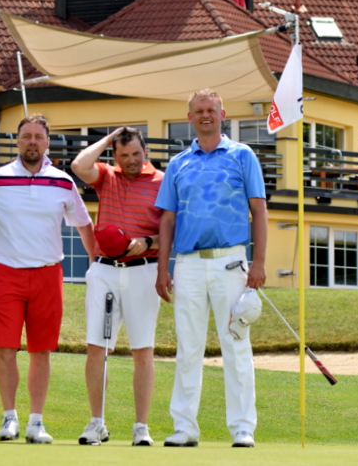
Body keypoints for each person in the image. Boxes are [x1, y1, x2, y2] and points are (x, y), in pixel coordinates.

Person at [154, 89, 268, 448]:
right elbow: (167, 220)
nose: (205, 115)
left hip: (231, 261)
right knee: (188, 347)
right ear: (190, 117)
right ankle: (184, 428)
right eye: (199, 110)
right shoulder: (178, 163)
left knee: (236, 344)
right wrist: (162, 268)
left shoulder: (242, 155)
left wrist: (260, 262)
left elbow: (259, 210)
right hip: (188, 264)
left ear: (222, 114)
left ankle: (243, 428)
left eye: (211, 110)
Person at [0, 113, 94, 444]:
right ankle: (9, 418)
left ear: (47, 142)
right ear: (17, 140)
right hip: (5, 273)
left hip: (47, 274)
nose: (32, 142)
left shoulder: (63, 182)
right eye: (26, 136)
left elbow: (84, 224)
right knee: (5, 348)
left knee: (41, 350)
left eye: (38, 137)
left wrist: (96, 262)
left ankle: (36, 422)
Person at [70, 126, 164, 447]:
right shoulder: (107, 176)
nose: (132, 160)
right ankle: (97, 422)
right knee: (97, 347)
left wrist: (148, 241)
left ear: (145, 151)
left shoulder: (162, 181)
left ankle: (141, 427)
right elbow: (79, 165)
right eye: (124, 155)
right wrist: (110, 138)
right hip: (105, 271)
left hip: (144, 270)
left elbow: (174, 230)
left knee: (143, 350)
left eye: (136, 153)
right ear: (115, 155)